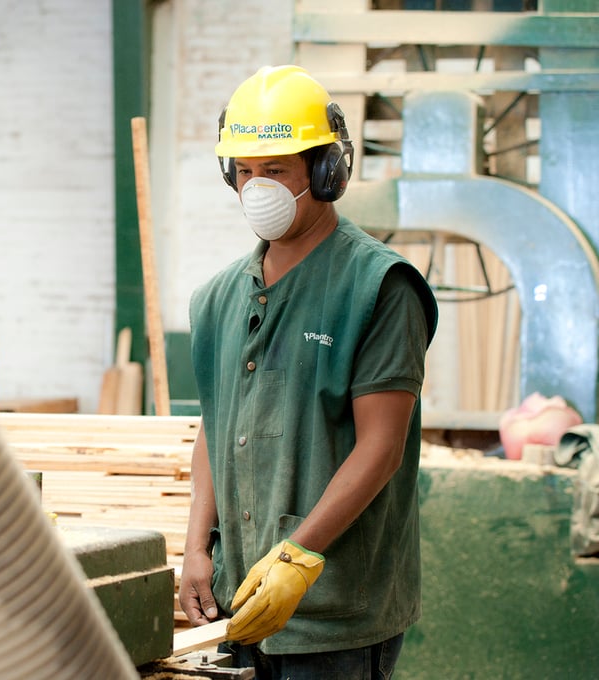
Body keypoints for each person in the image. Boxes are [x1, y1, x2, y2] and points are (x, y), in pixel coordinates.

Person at [178, 64, 438, 679]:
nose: (255, 187)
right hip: (237, 603)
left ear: (326, 173)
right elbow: (214, 431)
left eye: (276, 171)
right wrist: (195, 548)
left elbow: (382, 446)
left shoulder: (378, 286)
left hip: (335, 616)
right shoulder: (216, 300)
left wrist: (298, 557)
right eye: (244, 170)